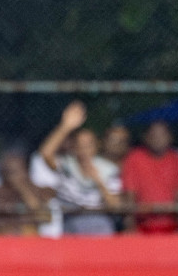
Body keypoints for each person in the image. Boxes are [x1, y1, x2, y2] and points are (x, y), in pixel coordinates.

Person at [32, 101, 125, 236]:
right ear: (74, 148)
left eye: (88, 145)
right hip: (70, 219)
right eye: (80, 145)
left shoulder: (109, 170)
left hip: (98, 222)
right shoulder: (66, 165)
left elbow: (116, 207)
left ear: (96, 147)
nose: (84, 150)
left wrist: (99, 181)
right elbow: (45, 154)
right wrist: (66, 126)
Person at [120, 120, 178, 234]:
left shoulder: (176, 160)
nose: (158, 139)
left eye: (162, 135)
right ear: (146, 138)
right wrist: (131, 227)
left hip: (172, 227)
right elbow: (129, 194)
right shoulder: (134, 159)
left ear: (170, 137)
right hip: (142, 227)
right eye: (154, 135)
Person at [0, 149, 55, 236]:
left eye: (15, 171)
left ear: (25, 170)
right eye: (8, 171)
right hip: (5, 239)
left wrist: (23, 189)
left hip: (30, 239)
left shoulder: (39, 191)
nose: (12, 176)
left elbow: (44, 217)